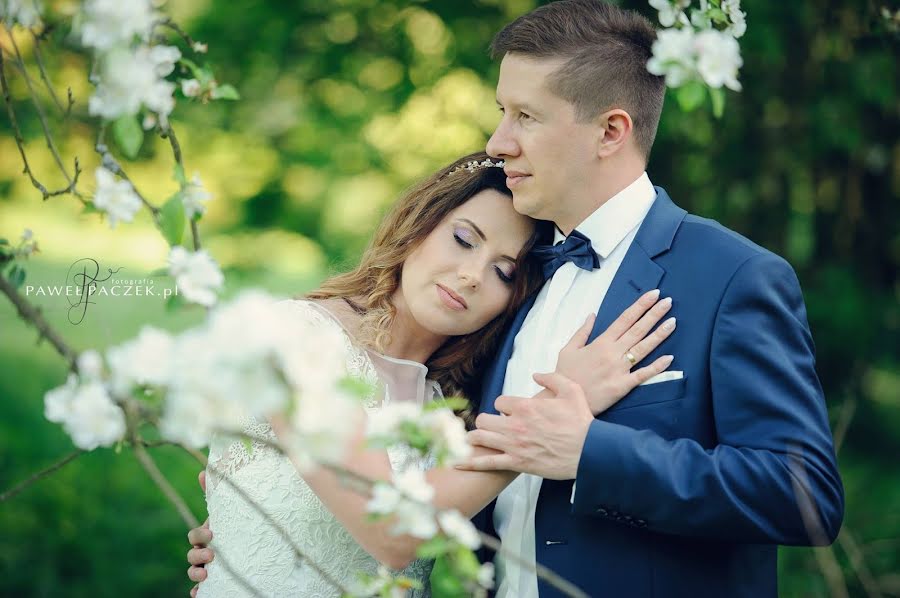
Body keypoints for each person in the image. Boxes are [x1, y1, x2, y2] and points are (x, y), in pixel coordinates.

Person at [448, 1, 843, 597]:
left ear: (610, 131)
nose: (498, 141)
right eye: (503, 112)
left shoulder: (735, 277)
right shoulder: (510, 273)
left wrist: (592, 453)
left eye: (526, 116)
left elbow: (803, 492)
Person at [186, 150, 677, 597]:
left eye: (504, 272)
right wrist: (554, 411)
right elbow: (392, 530)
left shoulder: (460, 404)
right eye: (464, 240)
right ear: (418, 224)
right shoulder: (294, 338)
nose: (471, 275)